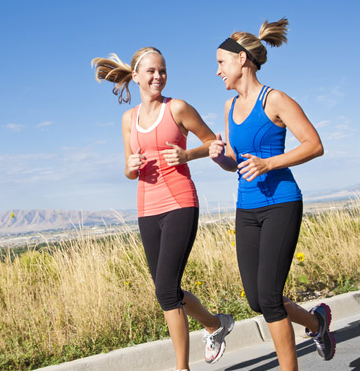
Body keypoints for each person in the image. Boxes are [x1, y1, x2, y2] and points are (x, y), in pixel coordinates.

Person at [92, 47, 234, 371]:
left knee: (166, 290)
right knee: (166, 289)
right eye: (152, 71)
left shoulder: (178, 108)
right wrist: (129, 166)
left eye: (163, 70)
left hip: (180, 203)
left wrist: (187, 155)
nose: (158, 77)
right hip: (146, 209)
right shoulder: (129, 119)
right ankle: (214, 324)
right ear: (137, 76)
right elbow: (130, 171)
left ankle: (181, 367)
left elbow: (213, 143)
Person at [209, 18, 335, 370]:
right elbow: (237, 162)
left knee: (269, 298)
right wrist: (222, 158)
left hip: (281, 202)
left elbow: (314, 145)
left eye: (221, 62)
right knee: (256, 300)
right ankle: (316, 323)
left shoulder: (275, 99)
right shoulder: (229, 107)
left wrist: (269, 164)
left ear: (241, 60)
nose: (217, 71)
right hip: (246, 207)